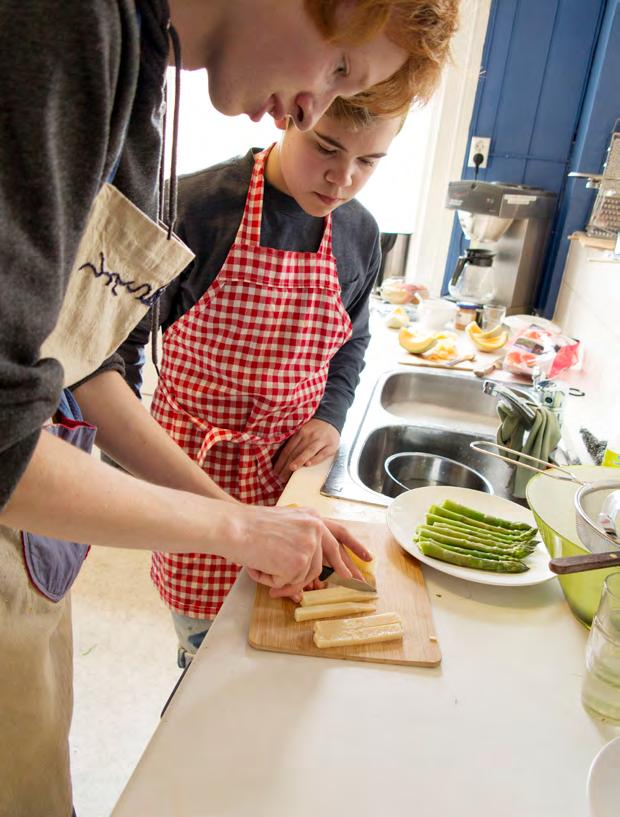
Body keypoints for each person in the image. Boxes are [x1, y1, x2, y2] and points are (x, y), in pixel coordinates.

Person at [0, 2, 458, 815]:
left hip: (39, 541)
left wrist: (242, 519)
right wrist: (232, 525)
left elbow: (87, 365)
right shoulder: (72, 27)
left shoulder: (139, 80)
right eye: (339, 68)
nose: (316, 106)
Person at [119, 98, 406, 664]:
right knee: (208, 644)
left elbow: (352, 340)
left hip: (291, 475)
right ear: (291, 112)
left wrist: (330, 415)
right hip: (195, 474)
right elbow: (114, 353)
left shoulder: (359, 232)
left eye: (369, 161)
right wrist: (130, 481)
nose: (343, 178)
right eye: (327, 147)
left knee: (284, 630)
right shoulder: (193, 208)